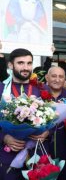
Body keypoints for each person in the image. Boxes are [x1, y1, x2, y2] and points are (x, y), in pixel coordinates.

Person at [0, 48, 49, 179]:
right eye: (20, 63)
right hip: (8, 156)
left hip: (37, 157)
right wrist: (4, 137)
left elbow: (55, 117)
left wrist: (47, 132)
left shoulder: (42, 90)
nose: (25, 67)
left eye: (29, 63)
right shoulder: (1, 89)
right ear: (10, 65)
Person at [45, 66, 66, 180]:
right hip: (43, 149)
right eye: (54, 76)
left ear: (65, 79)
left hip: (65, 150)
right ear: (47, 77)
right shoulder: (38, 95)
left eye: (61, 76)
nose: (57, 79)